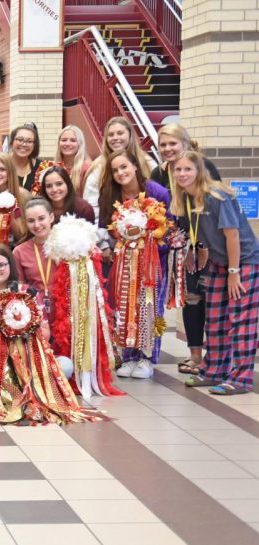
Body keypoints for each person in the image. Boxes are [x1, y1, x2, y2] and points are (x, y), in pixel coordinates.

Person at [173, 151, 259, 395]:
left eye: (187, 169)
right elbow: (199, 233)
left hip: (243, 263)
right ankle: (215, 371)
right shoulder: (186, 199)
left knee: (241, 320)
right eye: (178, 170)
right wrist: (194, 252)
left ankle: (241, 378)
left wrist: (234, 272)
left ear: (199, 171)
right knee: (215, 319)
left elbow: (232, 235)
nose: (182, 174)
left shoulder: (217, 196)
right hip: (218, 263)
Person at [0, 244, 73, 402]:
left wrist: (36, 324)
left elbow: (46, 336)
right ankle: (32, 395)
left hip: (30, 362)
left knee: (66, 365)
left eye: (0, 265)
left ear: (10, 265)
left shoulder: (28, 294)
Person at [151, 124, 221, 375]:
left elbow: (212, 210)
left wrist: (200, 245)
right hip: (180, 249)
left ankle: (217, 355)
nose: (168, 149)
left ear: (186, 144)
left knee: (212, 300)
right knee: (191, 299)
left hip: (207, 247)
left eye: (173, 144)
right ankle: (194, 355)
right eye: (163, 144)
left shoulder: (202, 166)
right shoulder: (158, 174)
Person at [99, 149, 171, 379]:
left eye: (124, 167)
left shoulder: (156, 192)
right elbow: (106, 226)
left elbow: (169, 227)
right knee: (125, 305)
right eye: (115, 170)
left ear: (135, 166)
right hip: (124, 261)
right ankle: (129, 357)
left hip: (152, 261)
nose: (120, 173)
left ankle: (147, 358)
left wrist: (151, 245)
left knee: (148, 307)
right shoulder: (111, 194)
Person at [83, 116, 157, 210]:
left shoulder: (147, 162)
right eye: (111, 135)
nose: (115, 138)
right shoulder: (98, 167)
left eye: (120, 133)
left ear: (130, 135)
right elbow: (92, 204)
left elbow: (159, 195)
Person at [0, 152, 30, 246]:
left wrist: (10, 217)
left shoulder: (24, 196)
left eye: (2, 169)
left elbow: (26, 235)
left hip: (16, 251)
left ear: (10, 172)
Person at [13, 199, 57, 295]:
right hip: (36, 306)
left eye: (41, 218)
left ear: (51, 217)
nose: (37, 225)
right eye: (31, 221)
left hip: (65, 306)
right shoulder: (19, 251)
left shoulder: (67, 245)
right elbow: (19, 288)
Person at [54, 125, 91, 195]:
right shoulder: (52, 167)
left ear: (80, 144)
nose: (67, 144)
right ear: (58, 143)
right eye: (64, 140)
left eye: (73, 140)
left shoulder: (87, 169)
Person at [9, 123, 43, 192]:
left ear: (34, 145)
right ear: (12, 142)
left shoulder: (42, 168)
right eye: (20, 139)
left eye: (29, 141)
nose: (24, 144)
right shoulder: (0, 165)